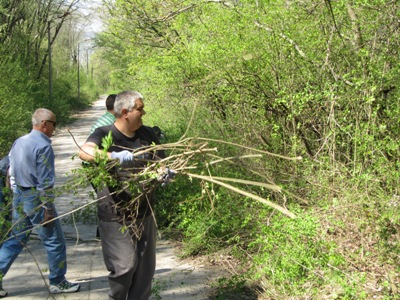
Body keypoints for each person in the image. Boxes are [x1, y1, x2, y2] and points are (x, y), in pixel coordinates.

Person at [79, 90, 174, 300]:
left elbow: (160, 161)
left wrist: (163, 173)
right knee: (124, 267)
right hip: (115, 214)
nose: (144, 112)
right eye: (140, 109)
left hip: (144, 212)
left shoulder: (148, 134)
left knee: (145, 272)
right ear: (125, 112)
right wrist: (112, 155)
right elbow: (84, 151)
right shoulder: (105, 134)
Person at [0, 108, 80, 298]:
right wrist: (48, 209)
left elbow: (9, 171)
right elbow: (45, 182)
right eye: (54, 123)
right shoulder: (43, 146)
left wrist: (14, 195)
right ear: (44, 124)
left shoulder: (20, 141)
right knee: (55, 240)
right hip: (35, 198)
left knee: (16, 240)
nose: (54, 128)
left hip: (20, 195)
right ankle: (58, 281)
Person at [89, 94, 117, 240]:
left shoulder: (105, 119)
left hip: (95, 166)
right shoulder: (109, 124)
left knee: (106, 198)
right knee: (106, 198)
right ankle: (104, 233)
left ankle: (102, 232)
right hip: (95, 168)